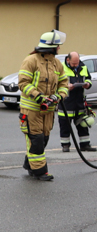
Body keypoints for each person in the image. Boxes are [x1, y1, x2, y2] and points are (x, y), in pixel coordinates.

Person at [18, 30, 69, 181]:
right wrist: (38, 96)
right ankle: (40, 171)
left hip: (49, 111)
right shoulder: (31, 60)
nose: (59, 48)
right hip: (32, 109)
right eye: (57, 46)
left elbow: (64, 83)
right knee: (36, 139)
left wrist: (58, 96)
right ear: (51, 47)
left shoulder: (56, 63)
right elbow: (23, 83)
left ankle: (30, 165)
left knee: (44, 139)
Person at [58, 52, 95, 153]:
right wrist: (66, 86)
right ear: (68, 60)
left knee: (83, 126)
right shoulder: (61, 68)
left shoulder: (83, 67)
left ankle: (85, 145)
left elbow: (88, 78)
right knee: (65, 126)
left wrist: (88, 84)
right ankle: (65, 145)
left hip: (79, 102)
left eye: (77, 62)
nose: (75, 65)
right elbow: (55, 83)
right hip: (66, 102)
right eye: (73, 63)